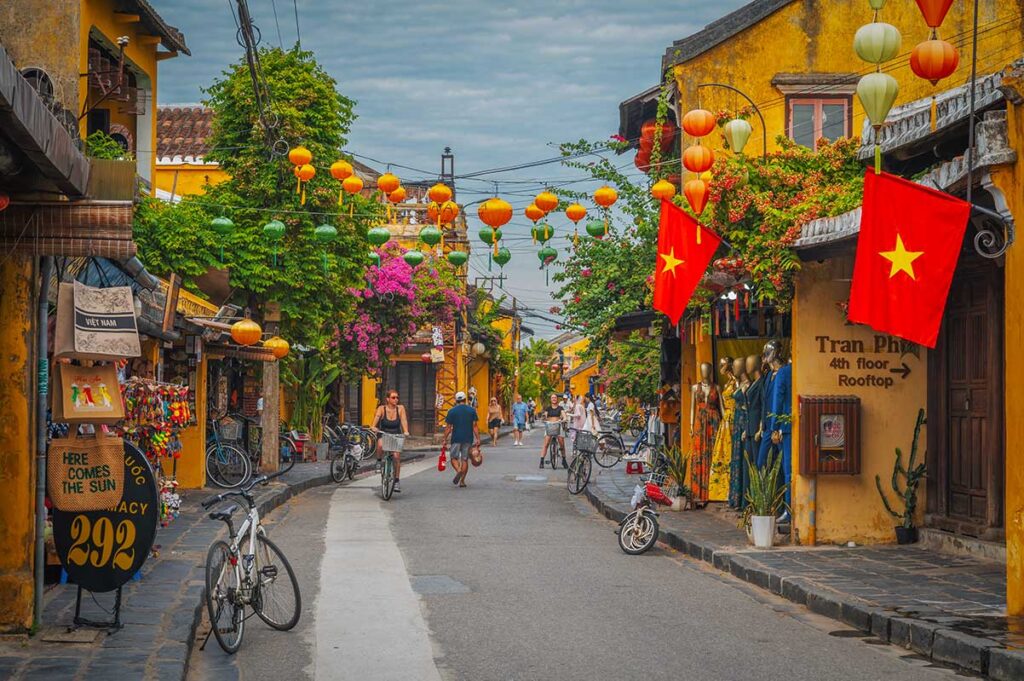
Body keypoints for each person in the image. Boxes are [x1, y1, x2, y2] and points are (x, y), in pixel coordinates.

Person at [372, 388, 410, 493]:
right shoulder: (381, 408)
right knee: (380, 445)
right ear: (388, 399)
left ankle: (396, 481)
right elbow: (377, 417)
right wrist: (374, 426)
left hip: (396, 434)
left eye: (397, 397)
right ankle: (378, 461)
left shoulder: (400, 408)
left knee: (396, 457)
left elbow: (404, 420)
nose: (396, 399)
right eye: (393, 397)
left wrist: (406, 431)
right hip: (384, 433)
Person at [445, 391, 480, 487]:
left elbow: (448, 428)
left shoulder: (451, 411)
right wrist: (478, 438)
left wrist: (444, 439)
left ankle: (458, 470)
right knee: (464, 459)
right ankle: (462, 481)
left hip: (456, 438)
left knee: (453, 458)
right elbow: (475, 426)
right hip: (468, 438)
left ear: (456, 400)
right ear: (465, 399)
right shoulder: (472, 410)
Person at [540, 393, 567, 469]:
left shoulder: (560, 408)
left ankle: (564, 460)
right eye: (552, 398)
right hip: (549, 426)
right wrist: (544, 418)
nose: (554, 399)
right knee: (546, 443)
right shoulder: (548, 408)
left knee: (562, 443)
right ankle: (542, 461)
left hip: (558, 425)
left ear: (557, 399)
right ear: (550, 399)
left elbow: (564, 416)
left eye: (555, 397)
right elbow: (545, 416)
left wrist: (564, 419)